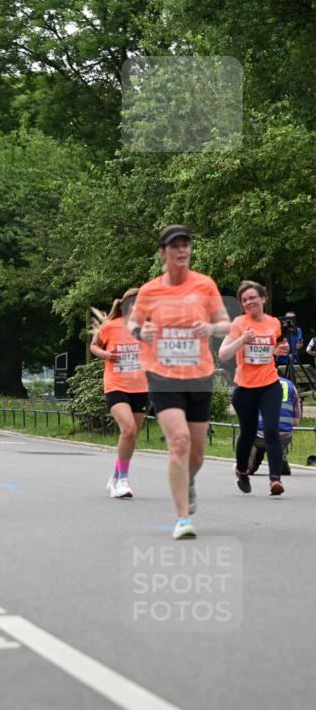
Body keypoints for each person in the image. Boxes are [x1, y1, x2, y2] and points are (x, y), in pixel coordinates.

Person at [126, 225, 230, 539]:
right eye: (175, 246)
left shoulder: (205, 285)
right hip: (163, 375)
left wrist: (210, 329)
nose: (182, 251)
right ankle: (183, 518)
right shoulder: (150, 290)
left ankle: (189, 480)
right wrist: (139, 333)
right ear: (163, 252)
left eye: (186, 245)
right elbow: (132, 322)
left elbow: (225, 323)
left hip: (198, 376)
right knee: (180, 442)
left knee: (196, 455)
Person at [218, 281, 290, 496]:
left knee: (271, 430)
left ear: (263, 299)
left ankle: (274, 480)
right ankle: (242, 471)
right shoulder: (239, 324)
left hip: (270, 384)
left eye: (252, 298)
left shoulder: (274, 323)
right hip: (245, 387)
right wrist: (242, 339)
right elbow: (223, 354)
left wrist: (280, 350)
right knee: (248, 433)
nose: (249, 302)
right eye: (245, 300)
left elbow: (272, 349)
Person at [90, 288, 148, 499]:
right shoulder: (111, 327)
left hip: (140, 387)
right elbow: (94, 346)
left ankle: (115, 476)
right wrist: (107, 354)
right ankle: (122, 480)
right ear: (125, 305)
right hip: (116, 385)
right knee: (129, 429)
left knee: (131, 436)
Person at [248, 375, 301, 476]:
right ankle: (280, 459)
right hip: (283, 435)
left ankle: (249, 461)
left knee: (249, 438)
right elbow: (296, 422)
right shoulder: (290, 385)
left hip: (259, 435)